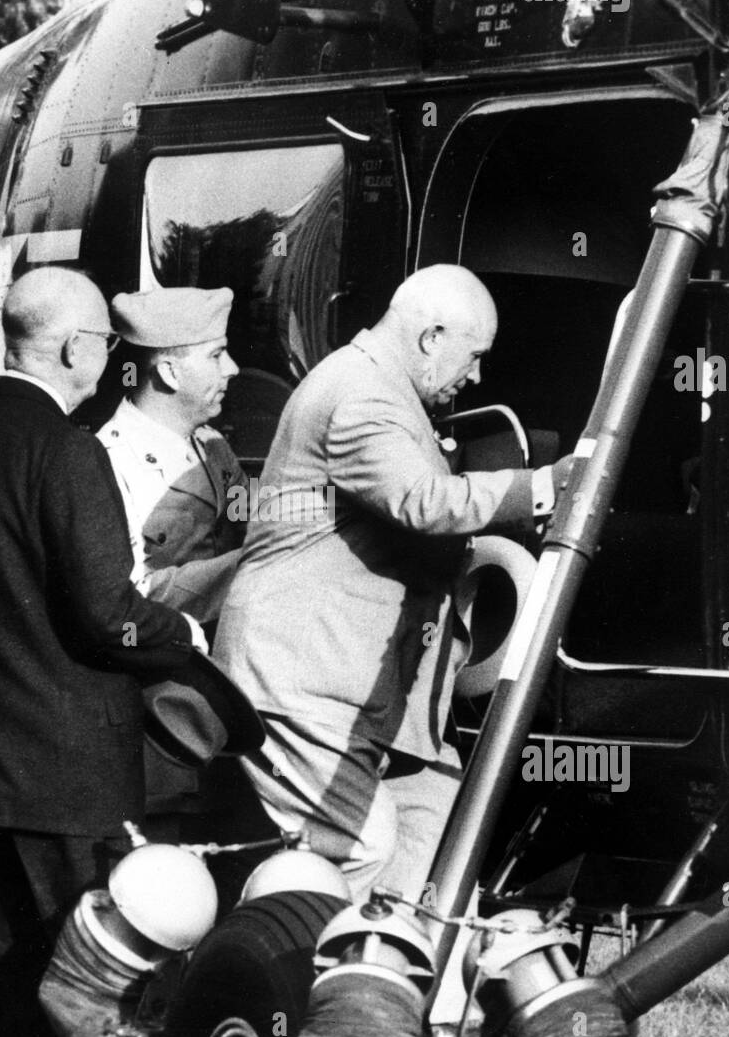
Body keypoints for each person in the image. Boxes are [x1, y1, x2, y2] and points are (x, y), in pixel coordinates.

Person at [0, 266, 204, 1037]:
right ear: (79, 347)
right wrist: (184, 632)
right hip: (68, 766)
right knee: (83, 970)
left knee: (5, 967)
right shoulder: (69, 449)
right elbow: (105, 612)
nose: (111, 359)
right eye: (106, 344)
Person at [214, 265, 572, 905]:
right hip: (302, 676)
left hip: (362, 687)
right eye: (475, 356)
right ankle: (261, 976)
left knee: (432, 820)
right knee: (358, 843)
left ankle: (386, 987)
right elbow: (424, 500)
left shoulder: (379, 387)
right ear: (433, 336)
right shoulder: (362, 394)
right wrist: (547, 485)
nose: (478, 377)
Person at [98, 286, 247, 626]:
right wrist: (255, 564)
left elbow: (245, 517)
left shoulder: (214, 448)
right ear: (169, 372)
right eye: (216, 355)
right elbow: (133, 596)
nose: (233, 368)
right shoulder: (111, 464)